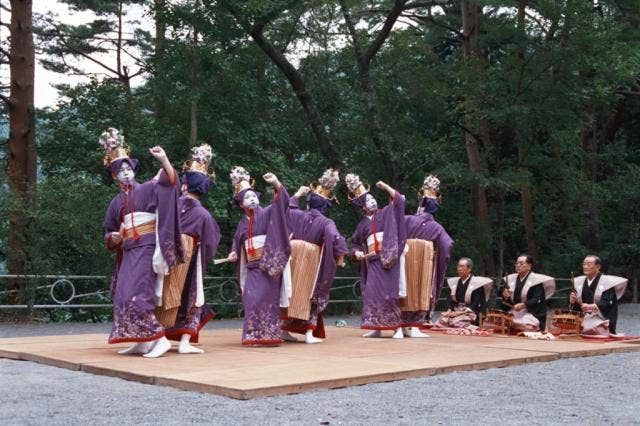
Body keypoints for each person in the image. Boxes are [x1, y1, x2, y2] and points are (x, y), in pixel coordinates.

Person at [101, 128, 182, 357]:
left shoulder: (148, 188)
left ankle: (160, 338)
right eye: (120, 171)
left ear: (133, 170)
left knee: (139, 296)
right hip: (128, 251)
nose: (126, 174)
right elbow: (108, 231)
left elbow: (170, 183)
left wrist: (163, 159)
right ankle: (141, 340)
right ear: (114, 176)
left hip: (147, 248)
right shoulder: (116, 202)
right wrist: (113, 238)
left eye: (128, 169)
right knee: (123, 295)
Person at [161, 144, 220, 354]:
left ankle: (157, 336)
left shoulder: (171, 205)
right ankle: (184, 342)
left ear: (185, 186)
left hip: (166, 258)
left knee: (163, 293)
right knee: (190, 298)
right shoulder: (204, 215)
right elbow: (211, 243)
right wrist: (202, 259)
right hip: (191, 260)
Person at [281, 169, 348, 343]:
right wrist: (340, 254)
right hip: (311, 258)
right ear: (325, 206)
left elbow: (287, 208)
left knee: (289, 292)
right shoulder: (327, 222)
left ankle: (283, 329)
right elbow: (334, 237)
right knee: (310, 292)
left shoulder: (296, 214)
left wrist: (297, 194)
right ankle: (309, 333)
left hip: (293, 255)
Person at [226, 167, 291, 346]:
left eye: (254, 195)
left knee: (266, 300)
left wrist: (276, 183)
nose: (252, 198)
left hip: (267, 265)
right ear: (241, 204)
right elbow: (237, 241)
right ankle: (254, 334)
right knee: (251, 300)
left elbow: (281, 203)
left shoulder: (268, 212)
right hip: (252, 267)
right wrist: (233, 252)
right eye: (247, 197)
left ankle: (268, 335)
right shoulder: (242, 223)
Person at [347, 173, 406, 339]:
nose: (373, 202)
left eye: (373, 198)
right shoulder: (362, 225)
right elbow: (356, 242)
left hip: (388, 258)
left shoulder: (387, 212)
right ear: (363, 207)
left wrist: (385, 187)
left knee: (390, 294)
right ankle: (376, 327)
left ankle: (397, 328)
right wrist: (356, 252)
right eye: (368, 200)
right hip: (372, 262)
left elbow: (399, 200)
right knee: (372, 294)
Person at [402, 174, 453, 335]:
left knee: (404, 287)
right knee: (421, 289)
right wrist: (439, 257)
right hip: (424, 261)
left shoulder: (407, 219)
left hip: (405, 258)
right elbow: (447, 244)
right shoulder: (437, 227)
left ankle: (401, 324)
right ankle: (416, 325)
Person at [569, 255, 627, 335]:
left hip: (600, 318)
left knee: (592, 328)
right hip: (583, 319)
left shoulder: (607, 283)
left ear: (598, 266)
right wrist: (573, 301)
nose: (585, 267)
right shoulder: (579, 282)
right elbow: (577, 307)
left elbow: (607, 303)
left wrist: (592, 306)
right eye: (584, 264)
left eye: (589, 264)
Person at [502, 254, 555, 332]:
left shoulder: (536, 280)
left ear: (529, 266)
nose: (518, 265)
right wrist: (505, 296)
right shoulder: (511, 279)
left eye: (521, 263)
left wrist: (524, 305)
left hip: (532, 313)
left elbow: (537, 299)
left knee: (527, 324)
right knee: (501, 320)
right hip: (516, 312)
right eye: (517, 263)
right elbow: (506, 301)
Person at [436, 258, 492, 328]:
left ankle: (473, 327)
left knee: (456, 322)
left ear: (469, 269)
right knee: (441, 321)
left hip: (470, 312)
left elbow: (476, 303)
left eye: (462, 266)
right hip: (456, 311)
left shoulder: (477, 283)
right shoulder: (455, 282)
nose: (459, 269)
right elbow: (451, 300)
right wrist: (449, 310)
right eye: (458, 266)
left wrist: (460, 313)